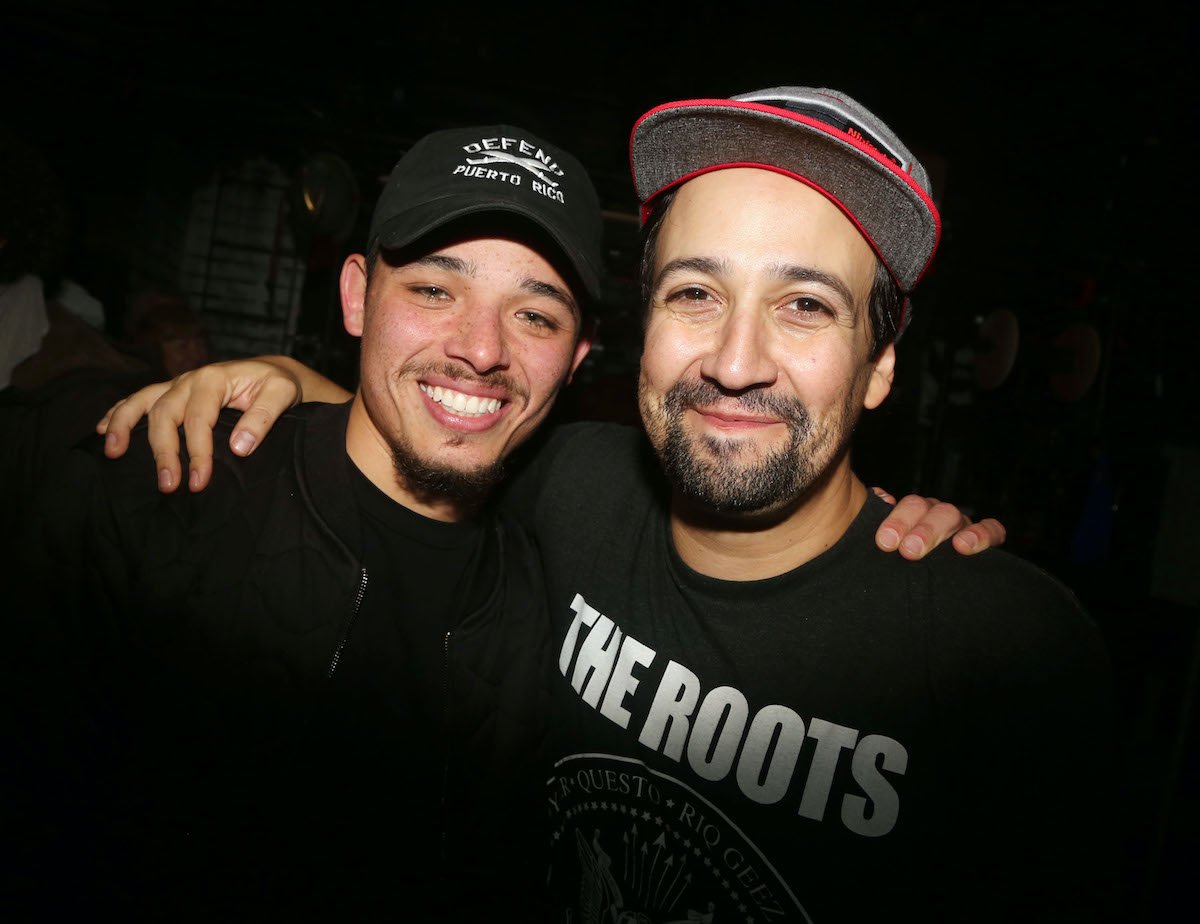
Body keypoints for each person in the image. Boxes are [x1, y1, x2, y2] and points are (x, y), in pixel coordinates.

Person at [104, 87, 1114, 921]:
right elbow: (444, 415)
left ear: (880, 365)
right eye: (695, 293)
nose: (734, 361)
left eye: (805, 305)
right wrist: (279, 378)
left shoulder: (1005, 655)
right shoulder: (571, 482)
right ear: (643, 324)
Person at [9, 122, 608, 920]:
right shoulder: (162, 481)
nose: (481, 349)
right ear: (357, 296)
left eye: (535, 316)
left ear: (575, 358)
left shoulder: (540, 611)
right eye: (435, 290)